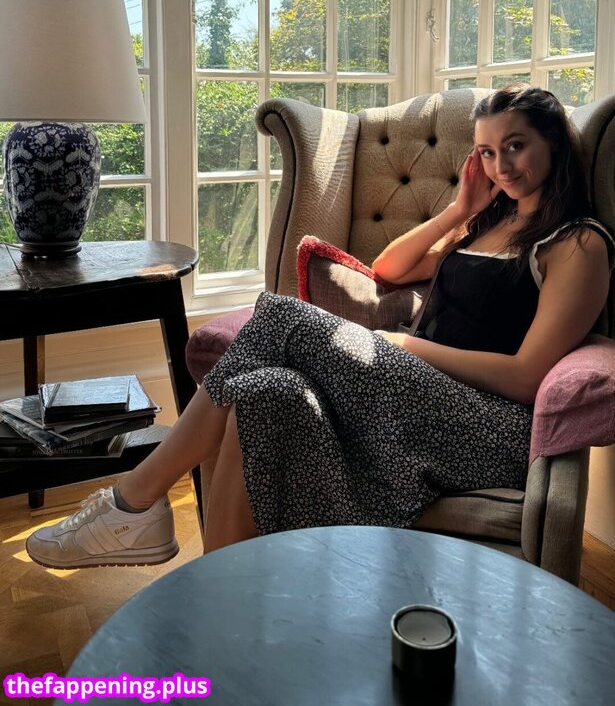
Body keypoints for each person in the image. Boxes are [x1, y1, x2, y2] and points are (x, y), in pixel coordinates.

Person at [26, 85, 613, 570]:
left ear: (554, 144)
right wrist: (458, 210)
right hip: (416, 397)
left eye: (515, 146)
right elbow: (390, 270)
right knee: (264, 391)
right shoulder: (485, 224)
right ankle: (219, 595)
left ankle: (134, 501)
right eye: (486, 152)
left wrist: (407, 346)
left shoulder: (577, 244)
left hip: (489, 429)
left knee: (283, 317)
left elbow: (528, 376)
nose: (501, 166)